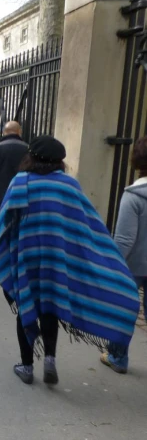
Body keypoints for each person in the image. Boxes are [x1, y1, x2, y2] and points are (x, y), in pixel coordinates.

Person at [0, 136, 140, 386]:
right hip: (57, 260)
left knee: (26, 307)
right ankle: (50, 359)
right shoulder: (69, 186)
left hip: (27, 257)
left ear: (30, 156)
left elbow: (5, 220)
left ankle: (27, 366)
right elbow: (87, 224)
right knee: (50, 308)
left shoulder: (21, 182)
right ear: (60, 161)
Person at [100, 137, 147, 374]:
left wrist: (112, 265)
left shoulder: (134, 195)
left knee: (122, 307)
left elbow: (125, 239)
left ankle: (118, 357)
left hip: (135, 264)